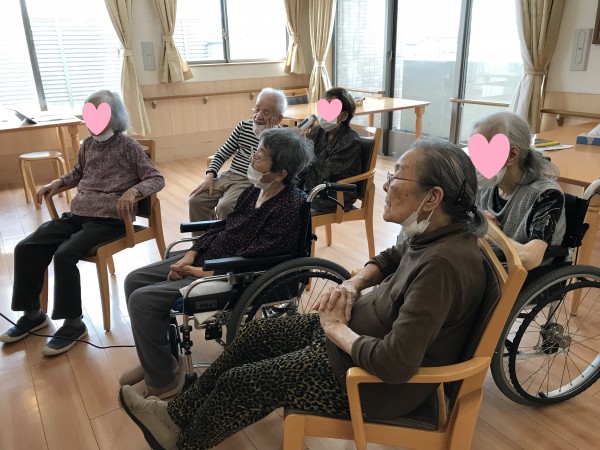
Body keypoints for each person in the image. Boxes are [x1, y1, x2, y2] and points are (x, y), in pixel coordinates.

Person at [118, 136, 489, 450]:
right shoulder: (430, 232)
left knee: (242, 383)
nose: (386, 185)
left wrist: (336, 329)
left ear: (433, 197)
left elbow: (395, 364)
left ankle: (181, 443)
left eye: (396, 177)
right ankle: (173, 414)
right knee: (256, 335)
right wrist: (353, 283)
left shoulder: (443, 266)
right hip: (348, 341)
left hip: (367, 383)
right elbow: (391, 257)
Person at [120, 128, 313, 399]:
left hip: (230, 274)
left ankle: (163, 382)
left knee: (142, 301)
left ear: (280, 173)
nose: (252, 157)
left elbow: (256, 258)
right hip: (207, 257)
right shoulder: (255, 190)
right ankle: (160, 361)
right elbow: (223, 225)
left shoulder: (288, 208)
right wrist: (190, 253)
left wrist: (197, 271)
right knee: (134, 280)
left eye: (260, 155)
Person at [0, 90, 165, 356]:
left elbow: (156, 178)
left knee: (65, 254)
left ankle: (74, 324)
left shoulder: (128, 146)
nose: (90, 122)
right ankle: (32, 314)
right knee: (26, 246)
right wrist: (58, 182)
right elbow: (78, 172)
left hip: (110, 220)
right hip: (78, 215)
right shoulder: (88, 144)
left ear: (113, 117)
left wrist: (133, 191)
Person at [472, 111, 566, 270]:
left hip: (517, 276)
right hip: (482, 263)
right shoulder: (485, 186)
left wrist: (489, 231)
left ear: (511, 155)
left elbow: (530, 258)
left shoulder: (547, 195)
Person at [188, 87, 287, 225]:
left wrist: (266, 137)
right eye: (257, 109)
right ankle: (206, 238)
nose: (258, 116)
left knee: (225, 207)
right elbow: (222, 153)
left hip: (251, 181)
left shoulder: (280, 138)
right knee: (195, 200)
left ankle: (226, 238)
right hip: (230, 175)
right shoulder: (243, 126)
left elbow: (268, 169)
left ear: (278, 118)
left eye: (266, 112)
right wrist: (209, 176)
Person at [297, 87, 362, 212]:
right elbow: (304, 164)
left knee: (292, 206)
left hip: (334, 193)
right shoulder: (316, 131)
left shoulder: (351, 141)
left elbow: (326, 172)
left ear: (344, 116)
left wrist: (305, 151)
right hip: (312, 187)